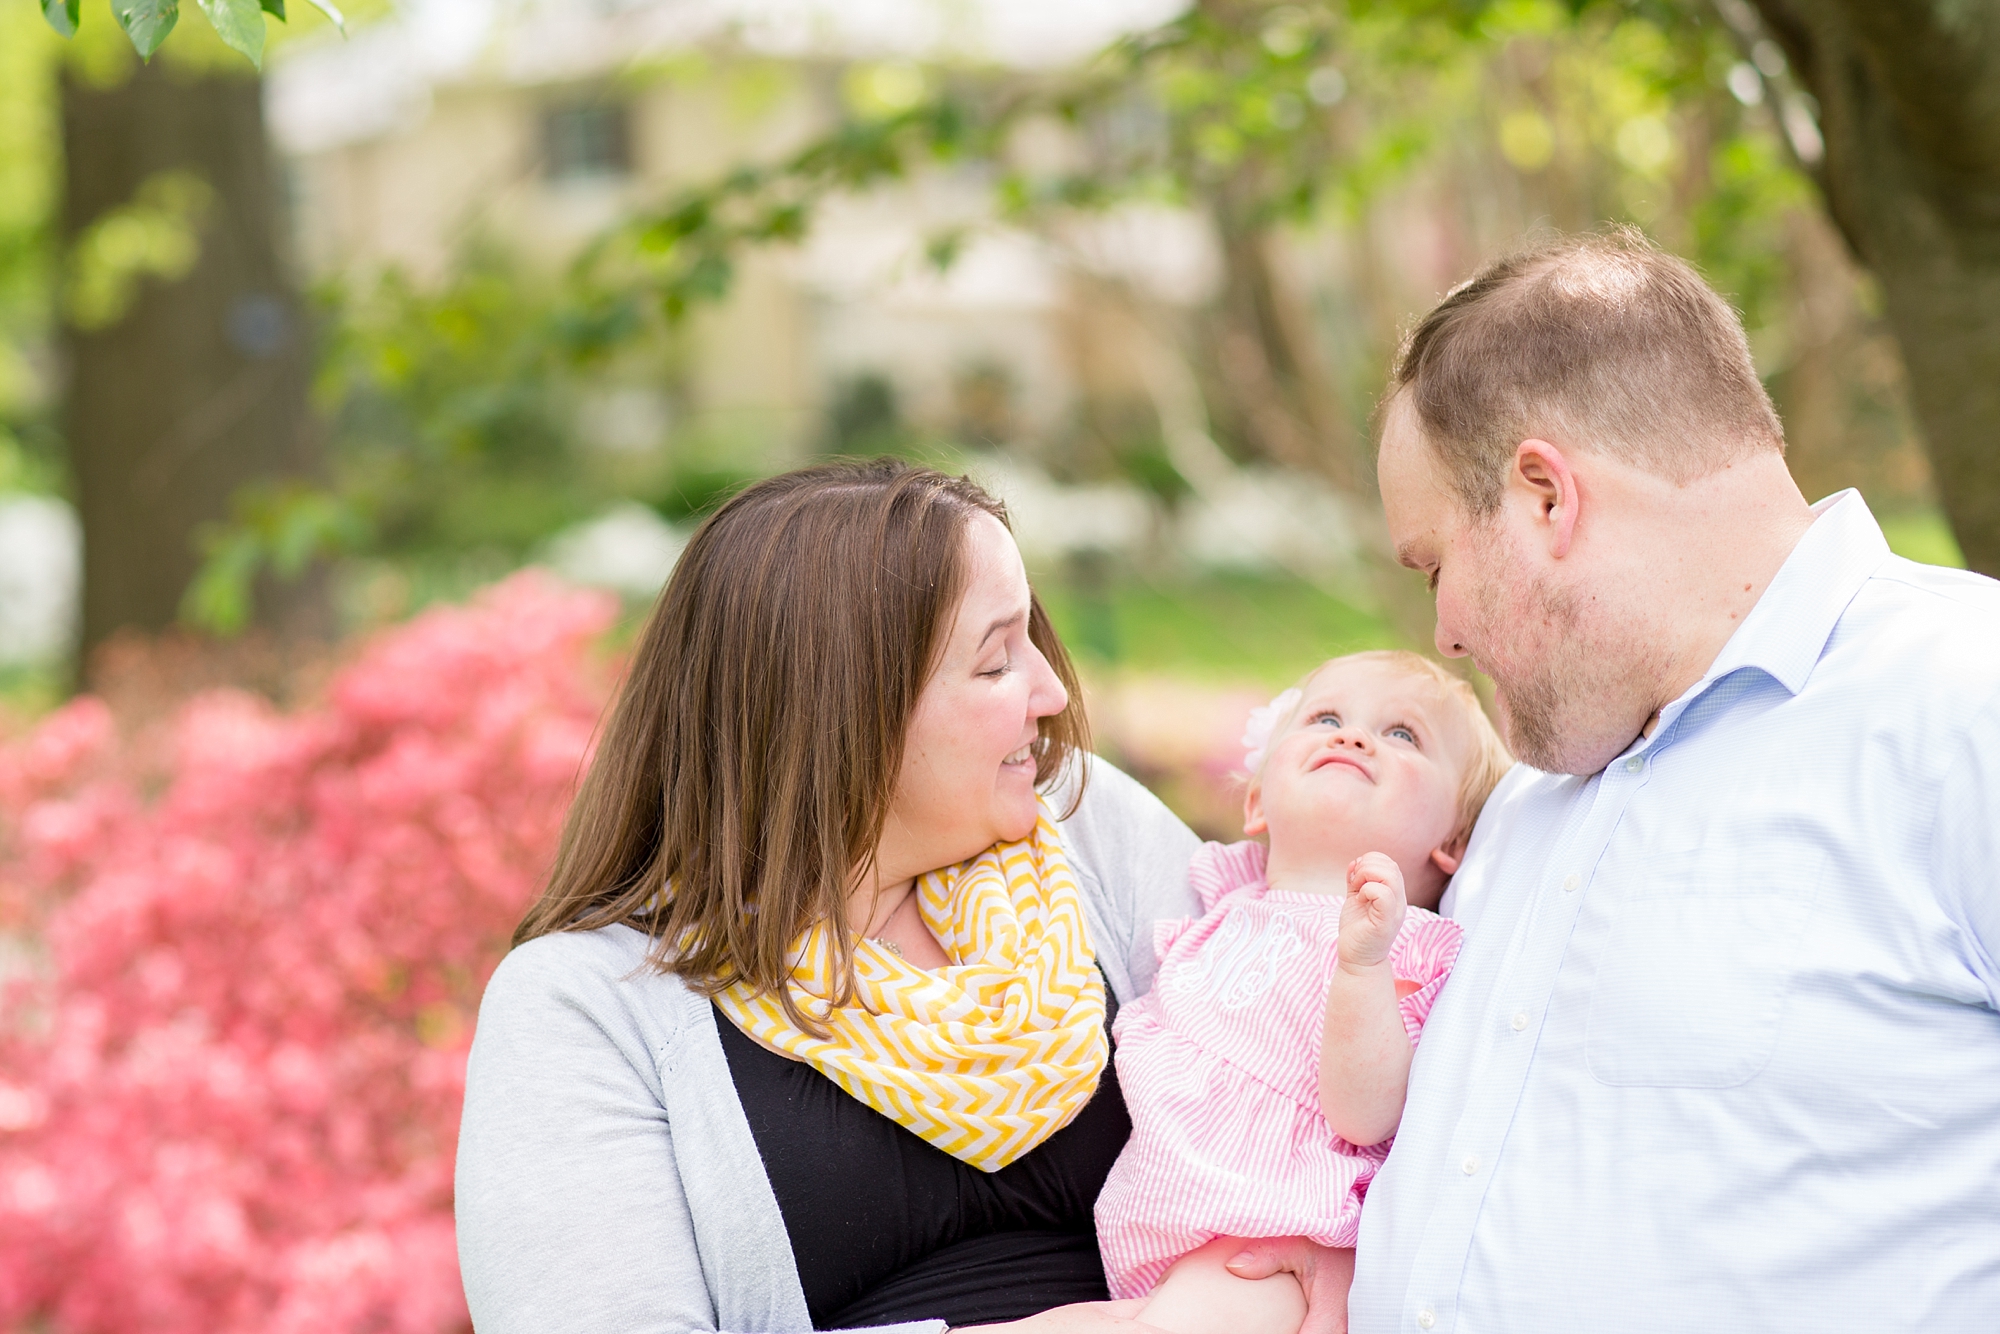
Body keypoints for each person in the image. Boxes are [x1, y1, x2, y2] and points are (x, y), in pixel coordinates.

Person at [453, 460, 1350, 1334]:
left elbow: (1312, 1085)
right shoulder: (585, 1008)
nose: (1047, 691)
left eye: (1033, 640)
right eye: (997, 663)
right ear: (845, 715)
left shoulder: (1087, 826)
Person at [1351, 229, 2000, 1331]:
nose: (1443, 632)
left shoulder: (1960, 699)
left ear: (1545, 497)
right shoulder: (1526, 797)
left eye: (1434, 565)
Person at [1093, 653, 1510, 1334]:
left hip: (1274, 1238)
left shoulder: (1401, 946)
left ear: (1453, 841)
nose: (1352, 737)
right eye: (1325, 718)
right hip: (1158, 1231)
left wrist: (1361, 965)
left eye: (1402, 734)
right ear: (1257, 801)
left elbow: (1364, 1115)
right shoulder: (1223, 896)